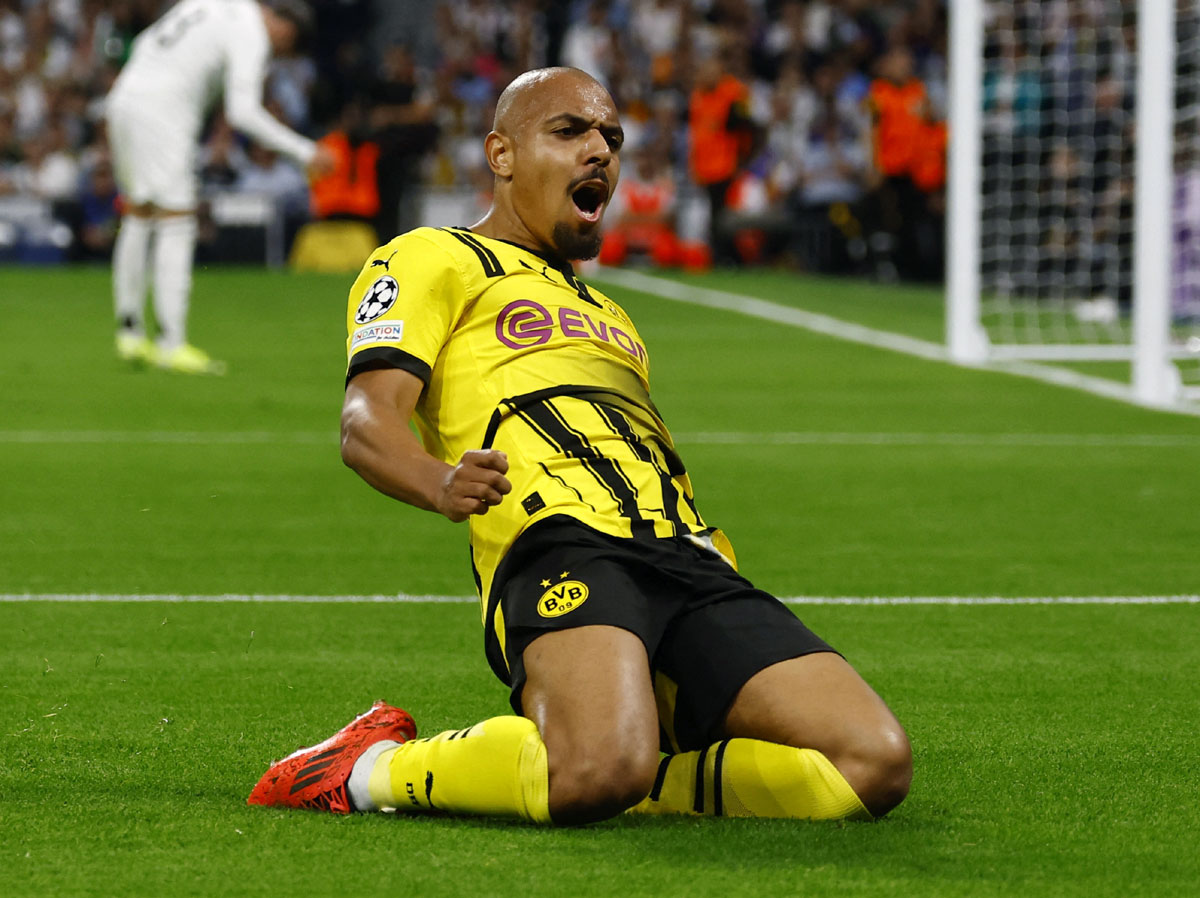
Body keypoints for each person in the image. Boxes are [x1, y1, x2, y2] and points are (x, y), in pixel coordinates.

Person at [247, 67, 911, 826]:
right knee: (595, 770)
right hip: (558, 543)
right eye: (570, 132)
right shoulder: (434, 256)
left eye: (612, 138)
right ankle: (368, 768)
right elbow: (365, 421)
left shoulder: (613, 316)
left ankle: (632, 761)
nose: (600, 150)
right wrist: (437, 482)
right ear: (501, 154)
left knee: (873, 763)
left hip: (685, 552)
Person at [105, 0, 334, 374]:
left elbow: (147, 40)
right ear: (283, 24)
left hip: (125, 100)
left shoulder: (210, 4)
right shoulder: (251, 31)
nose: (279, 50)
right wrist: (305, 151)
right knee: (177, 220)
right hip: (164, 112)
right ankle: (171, 343)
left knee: (138, 212)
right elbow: (242, 112)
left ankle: (129, 331)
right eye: (286, 42)